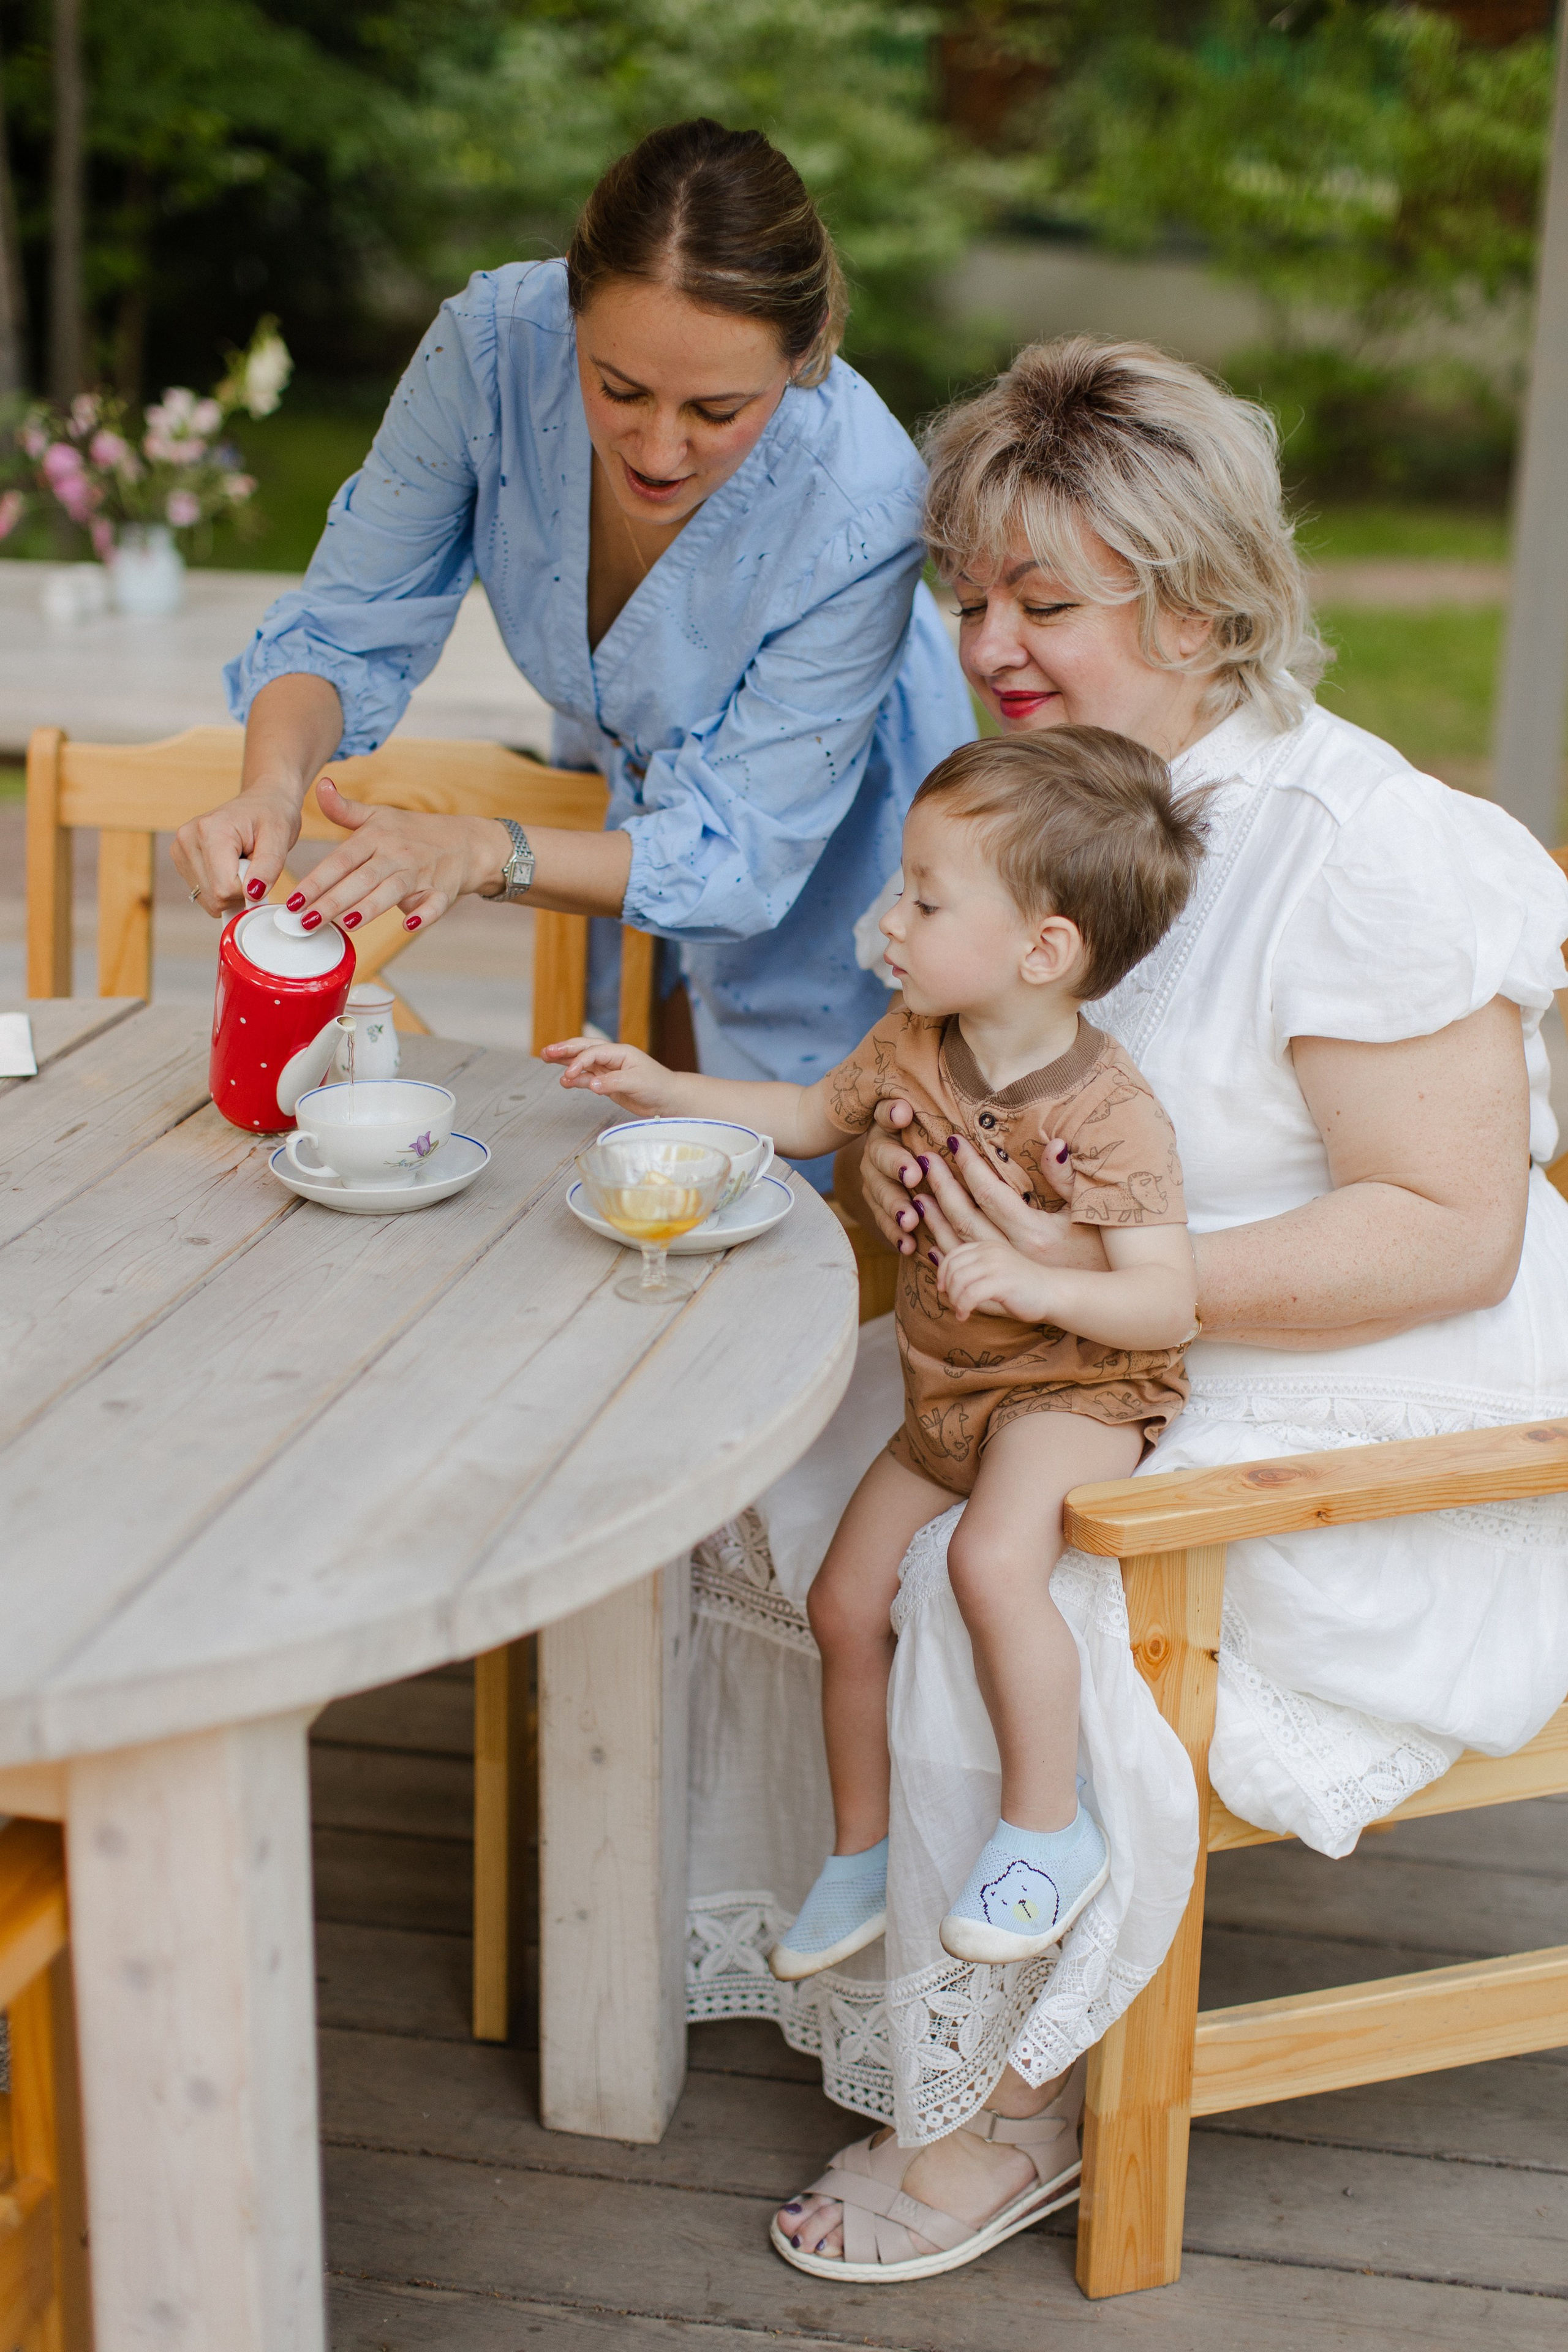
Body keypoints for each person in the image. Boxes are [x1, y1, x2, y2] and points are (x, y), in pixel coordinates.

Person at [674, 334, 1568, 2282]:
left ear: (1203, 604)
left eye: (1045, 602)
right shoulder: (1045, 812)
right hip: (1090, 1338)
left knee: (999, 1570)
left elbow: (1450, 1237)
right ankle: (868, 1921)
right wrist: (926, 1186)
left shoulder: (1360, 849)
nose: (991, 642)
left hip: (1375, 1384)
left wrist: (1076, 1279)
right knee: (733, 1460)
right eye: (969, 595)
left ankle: (1007, 2104)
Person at [553, 728, 1201, 2062]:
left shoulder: (1107, 1112)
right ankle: (860, 1853)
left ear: (1043, 950)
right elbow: (806, 1117)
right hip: (948, 1391)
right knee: (843, 1600)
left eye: (924, 898)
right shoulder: (916, 1039)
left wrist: (1036, 1281)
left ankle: (1049, 1828)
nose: (889, 919)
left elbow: (1164, 1303)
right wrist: (661, 1085)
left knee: (988, 1561)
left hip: (1075, 1392)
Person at [172, 118, 972, 1181]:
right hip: (624, 811)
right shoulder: (491, 350)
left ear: (808, 344)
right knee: (639, 1154)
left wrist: (483, 850)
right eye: (620, 388)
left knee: (800, 1172)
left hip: (821, 826)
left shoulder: (861, 501)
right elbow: (343, 625)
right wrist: (271, 787)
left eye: (717, 409)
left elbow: (739, 857)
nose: (659, 448)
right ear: (569, 313)